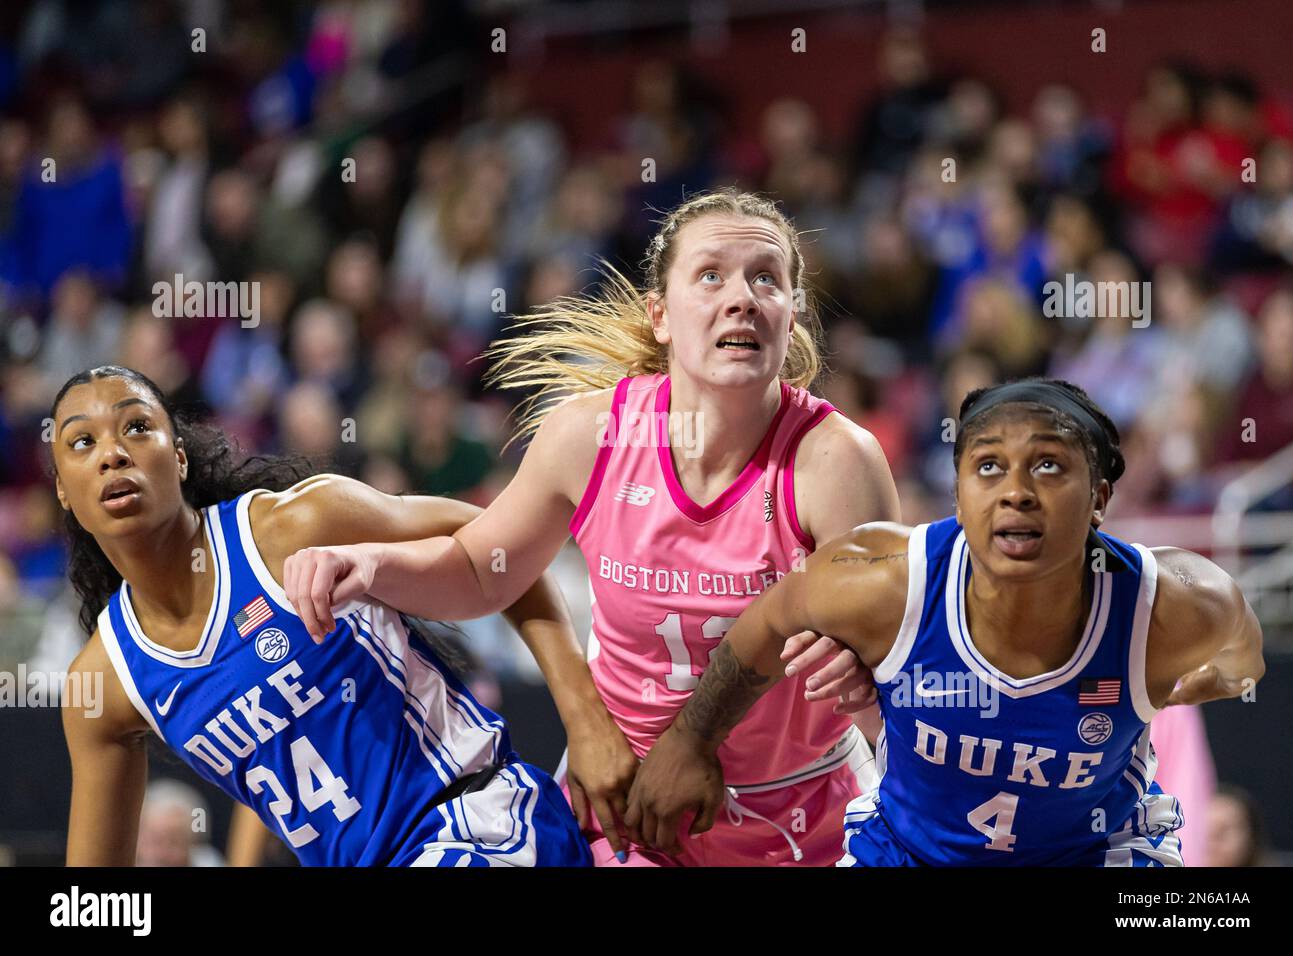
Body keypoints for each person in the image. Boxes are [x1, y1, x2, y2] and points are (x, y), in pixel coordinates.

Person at [284, 189, 901, 865]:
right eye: (711, 275)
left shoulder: (838, 461)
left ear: (792, 313)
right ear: (660, 315)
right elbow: (478, 570)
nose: (743, 297)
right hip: (628, 805)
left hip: (803, 814)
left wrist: (861, 674)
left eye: (766, 278)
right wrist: (371, 566)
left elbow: (893, 670)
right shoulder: (588, 433)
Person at [625, 379, 1265, 866]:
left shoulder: (1175, 604)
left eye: (1049, 465)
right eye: (988, 466)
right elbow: (762, 626)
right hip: (910, 854)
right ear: (958, 493)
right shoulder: (882, 579)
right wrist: (688, 741)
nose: (1016, 490)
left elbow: (1245, 653)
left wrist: (1209, 679)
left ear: (1099, 496)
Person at [56, 365, 599, 866]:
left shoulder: (293, 528)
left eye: (136, 428)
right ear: (62, 488)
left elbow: (500, 547)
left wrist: (585, 720)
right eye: (83, 442)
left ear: (178, 457)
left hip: (480, 824)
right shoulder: (106, 683)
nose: (112, 454)